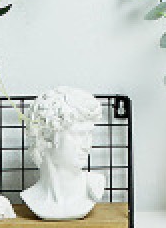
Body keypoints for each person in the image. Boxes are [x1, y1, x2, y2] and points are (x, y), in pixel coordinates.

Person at [21, 86, 106, 219]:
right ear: (46, 135)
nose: (87, 145)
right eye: (79, 134)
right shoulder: (31, 197)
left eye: (89, 134)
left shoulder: (94, 187)